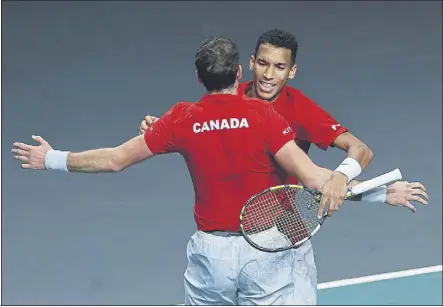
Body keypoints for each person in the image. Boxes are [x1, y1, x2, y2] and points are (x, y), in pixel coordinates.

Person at [12, 36, 367, 305]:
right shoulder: (264, 116)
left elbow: (115, 159)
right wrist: (345, 181)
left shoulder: (181, 119)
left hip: (211, 256)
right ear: (240, 72)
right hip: (266, 249)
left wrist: (51, 158)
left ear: (199, 78)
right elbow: (313, 178)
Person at [138, 29, 429, 304]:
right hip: (225, 248)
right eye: (263, 64)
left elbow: (355, 153)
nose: (268, 74)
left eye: (280, 67)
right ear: (249, 64)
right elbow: (193, 125)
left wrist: (359, 184)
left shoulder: (299, 109)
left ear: (292, 71)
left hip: (283, 240)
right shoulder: (228, 98)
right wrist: (158, 128)